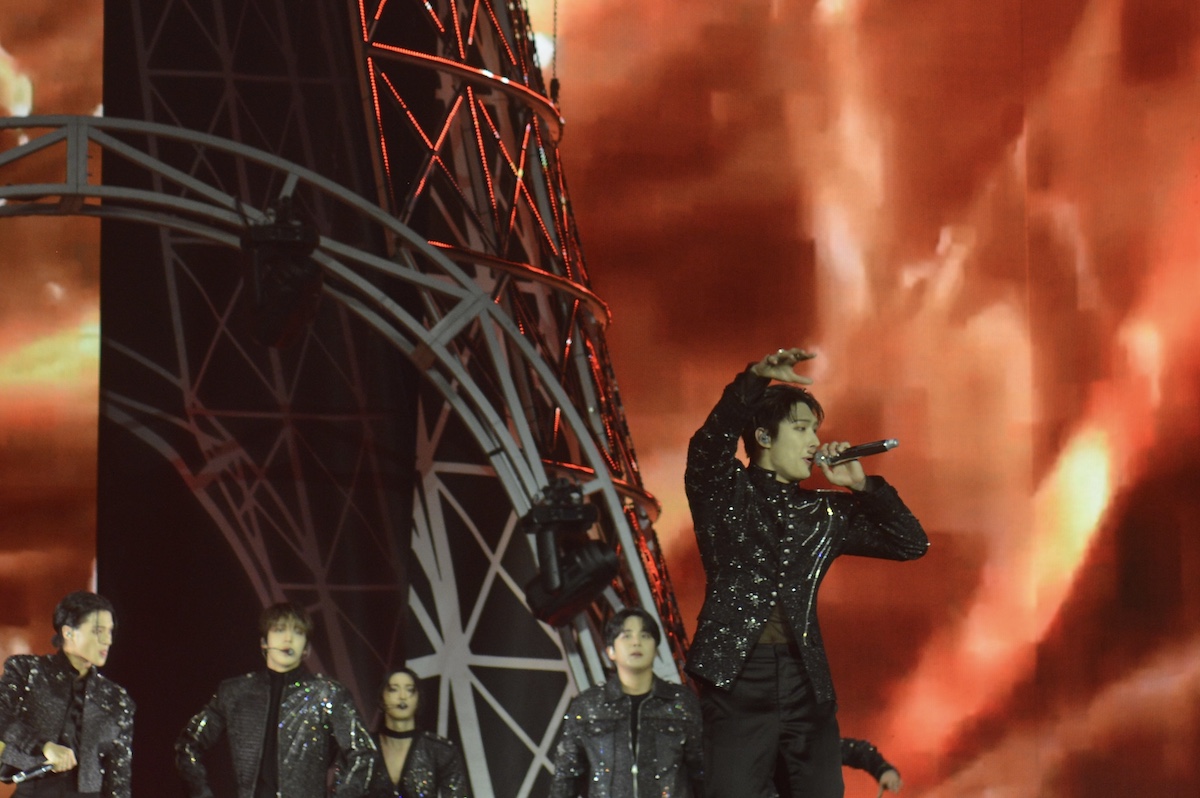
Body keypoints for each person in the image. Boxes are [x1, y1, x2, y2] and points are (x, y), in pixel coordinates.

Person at [684, 348, 929, 798]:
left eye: (815, 429)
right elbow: (708, 446)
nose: (815, 441)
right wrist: (754, 379)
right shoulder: (725, 492)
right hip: (735, 678)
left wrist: (862, 486)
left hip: (805, 681)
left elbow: (911, 544)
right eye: (801, 429)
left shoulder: (824, 512)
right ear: (764, 436)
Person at [175, 602, 378, 798]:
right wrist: (200, 793)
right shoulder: (236, 692)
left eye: (298, 633)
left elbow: (363, 753)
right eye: (280, 630)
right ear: (264, 642)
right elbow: (188, 744)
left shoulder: (328, 693)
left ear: (306, 648)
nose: (288, 639)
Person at [550, 607, 704, 797]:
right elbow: (566, 777)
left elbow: (702, 772)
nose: (636, 642)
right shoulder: (589, 705)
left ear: (655, 648)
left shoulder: (681, 702)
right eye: (627, 636)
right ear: (610, 650)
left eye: (645, 636)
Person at [0, 590, 134, 797]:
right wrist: (43, 746)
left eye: (110, 631)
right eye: (98, 631)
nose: (107, 640)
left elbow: (118, 777)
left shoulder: (116, 698)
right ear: (68, 632)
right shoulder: (27, 670)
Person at [368, 666, 471, 797]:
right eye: (393, 689)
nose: (402, 696)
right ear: (381, 698)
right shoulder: (363, 749)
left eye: (410, 690)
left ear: (418, 699)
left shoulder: (440, 750)